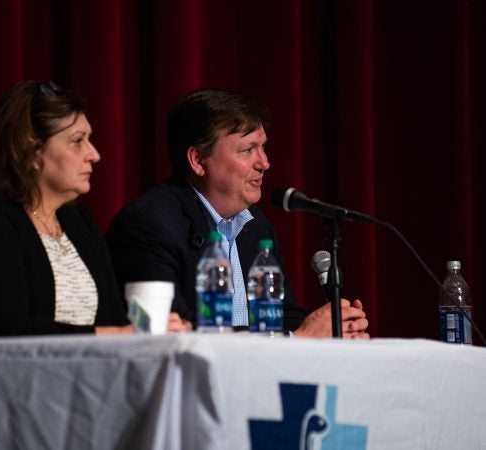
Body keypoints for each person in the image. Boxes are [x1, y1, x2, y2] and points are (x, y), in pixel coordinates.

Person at [106, 88, 369, 338]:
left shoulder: (256, 227)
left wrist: (334, 331)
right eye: (247, 150)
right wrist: (300, 337)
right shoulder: (149, 224)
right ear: (197, 160)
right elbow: (178, 333)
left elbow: (283, 317)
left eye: (263, 147)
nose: (264, 163)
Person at [0, 80, 133, 337]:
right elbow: (5, 330)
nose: (94, 154)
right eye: (77, 141)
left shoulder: (78, 222)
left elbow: (114, 320)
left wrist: (147, 327)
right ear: (32, 151)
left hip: (82, 374)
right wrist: (113, 335)